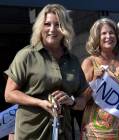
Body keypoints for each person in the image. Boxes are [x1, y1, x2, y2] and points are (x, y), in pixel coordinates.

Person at [4, 4, 90, 140]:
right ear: (40, 27)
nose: (52, 29)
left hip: (62, 133)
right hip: (31, 133)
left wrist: (71, 101)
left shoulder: (73, 60)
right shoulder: (26, 55)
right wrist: (40, 102)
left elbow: (82, 101)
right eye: (47, 24)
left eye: (58, 25)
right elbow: (9, 94)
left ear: (65, 28)